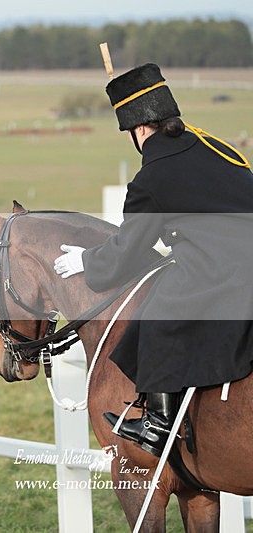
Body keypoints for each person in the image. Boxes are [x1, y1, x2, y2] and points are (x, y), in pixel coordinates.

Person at [53, 63, 253, 457]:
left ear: (137, 130)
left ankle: (157, 423)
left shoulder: (152, 176)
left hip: (228, 271)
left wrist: (87, 260)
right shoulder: (213, 145)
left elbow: (128, 251)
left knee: (157, 310)